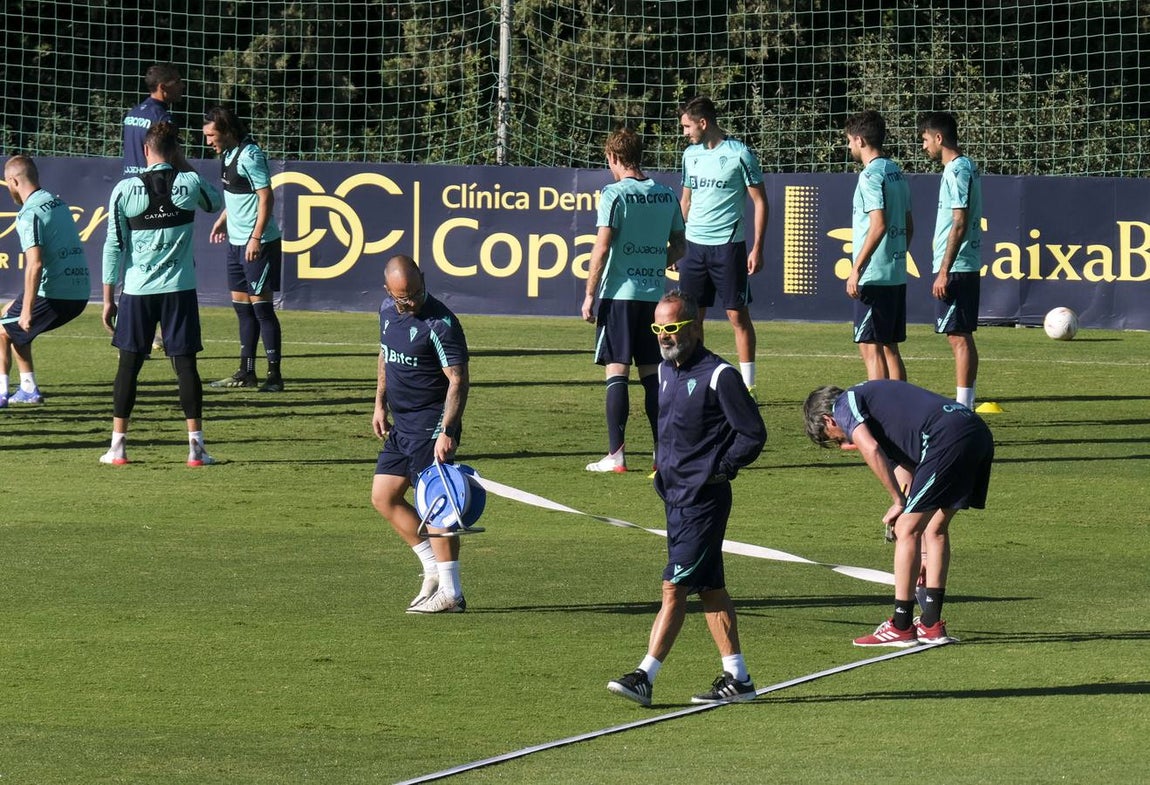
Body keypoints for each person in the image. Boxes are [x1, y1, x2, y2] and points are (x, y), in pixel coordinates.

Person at [608, 290, 766, 706]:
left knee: (674, 586)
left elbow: (752, 434)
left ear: (695, 326)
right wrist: (662, 467)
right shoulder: (663, 372)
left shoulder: (720, 376)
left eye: (672, 327)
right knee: (711, 588)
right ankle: (739, 678)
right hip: (674, 499)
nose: (664, 336)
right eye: (658, 328)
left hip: (704, 501)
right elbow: (667, 427)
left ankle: (645, 675)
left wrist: (718, 469)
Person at [802, 380, 993, 647]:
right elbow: (908, 472)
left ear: (828, 419)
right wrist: (904, 505)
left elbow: (870, 449)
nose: (841, 442)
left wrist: (898, 503)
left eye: (829, 437)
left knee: (906, 529)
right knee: (933, 528)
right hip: (975, 432)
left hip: (946, 437)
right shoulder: (880, 413)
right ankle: (931, 624)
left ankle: (901, 626)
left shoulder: (845, 405)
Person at [100, 122, 223, 466]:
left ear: (145, 151)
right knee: (185, 367)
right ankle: (196, 449)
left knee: (128, 367)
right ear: (175, 151)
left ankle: (118, 448)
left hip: (137, 292)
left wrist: (109, 297)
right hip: (179, 291)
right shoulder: (189, 182)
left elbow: (114, 245)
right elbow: (215, 202)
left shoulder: (126, 189)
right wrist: (183, 164)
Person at [371, 254, 472, 614]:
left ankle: (452, 593)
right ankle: (431, 567)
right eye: (403, 297)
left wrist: (447, 431)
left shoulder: (441, 323)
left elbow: (458, 379)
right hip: (401, 425)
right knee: (384, 496)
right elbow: (385, 356)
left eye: (416, 292)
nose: (411, 301)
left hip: (431, 428)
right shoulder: (386, 311)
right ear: (389, 291)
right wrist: (379, 403)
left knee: (439, 509)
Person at [582, 128, 686, 473]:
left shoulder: (614, 194)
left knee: (617, 372)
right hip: (655, 298)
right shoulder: (666, 195)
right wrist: (658, 260)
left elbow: (602, 246)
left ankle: (617, 455)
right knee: (653, 377)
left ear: (613, 157)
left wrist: (589, 293)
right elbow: (681, 246)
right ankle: (661, 456)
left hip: (620, 295)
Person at [677, 96, 769, 398]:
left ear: (703, 123)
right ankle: (698, 379)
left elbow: (760, 201)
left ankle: (748, 385)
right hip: (693, 248)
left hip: (728, 247)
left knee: (737, 317)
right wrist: (677, 243)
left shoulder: (739, 153)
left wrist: (757, 247)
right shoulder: (690, 155)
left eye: (687, 126)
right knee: (691, 318)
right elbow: (686, 201)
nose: (685, 133)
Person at [203, 105, 285, 392]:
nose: (208, 141)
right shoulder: (227, 155)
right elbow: (237, 195)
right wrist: (223, 219)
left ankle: (274, 376)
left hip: (257, 245)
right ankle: (246, 372)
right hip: (236, 244)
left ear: (227, 131)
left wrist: (255, 237)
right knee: (243, 310)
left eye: (211, 135)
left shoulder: (251, 156)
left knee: (262, 309)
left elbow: (266, 198)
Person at [1, 156, 91, 408]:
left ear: (13, 181)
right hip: (79, 290)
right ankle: (28, 387)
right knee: (8, 314)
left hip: (56, 293)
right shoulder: (57, 203)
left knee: (2, 329)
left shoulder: (28, 214)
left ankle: (2, 393)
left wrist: (27, 310)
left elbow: (35, 264)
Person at [844, 110, 913, 382]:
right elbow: (909, 225)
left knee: (870, 348)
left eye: (849, 140)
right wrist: (895, 257)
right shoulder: (896, 172)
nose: (849, 146)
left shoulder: (870, 176)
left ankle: (881, 408)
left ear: (860, 140)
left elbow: (878, 224)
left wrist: (856, 269)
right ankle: (903, 410)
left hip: (873, 277)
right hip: (894, 273)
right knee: (890, 348)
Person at [123, 63, 187, 354]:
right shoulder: (163, 118)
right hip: (156, 192)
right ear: (164, 86)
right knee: (162, 262)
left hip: (130, 192)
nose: (182, 87)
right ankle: (160, 332)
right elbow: (174, 159)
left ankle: (132, 331)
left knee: (134, 262)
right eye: (178, 83)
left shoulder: (132, 114)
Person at [920, 112, 983, 409]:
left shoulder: (957, 170)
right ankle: (965, 401)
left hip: (957, 266)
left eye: (925, 140)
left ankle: (964, 405)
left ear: (938, 138)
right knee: (958, 335)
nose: (924, 147)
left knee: (958, 336)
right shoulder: (963, 167)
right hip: (960, 264)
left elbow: (959, 222)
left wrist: (944, 270)